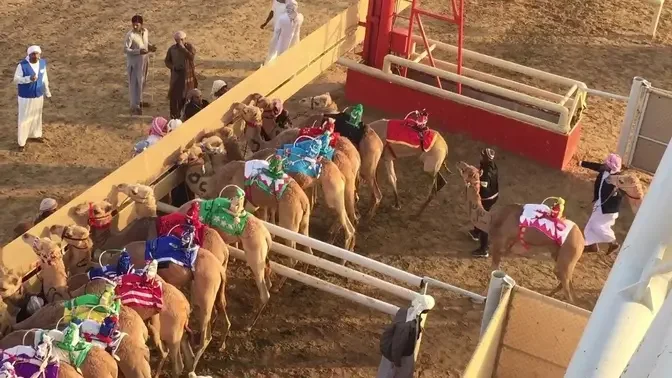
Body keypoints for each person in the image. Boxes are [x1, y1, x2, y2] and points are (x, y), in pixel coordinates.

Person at [580, 153, 624, 253]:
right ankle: (592, 246)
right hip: (600, 204)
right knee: (591, 225)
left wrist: (616, 194)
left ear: (611, 166)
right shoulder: (605, 170)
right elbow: (596, 166)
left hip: (607, 209)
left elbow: (623, 193)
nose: (603, 164)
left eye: (606, 163)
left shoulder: (618, 179)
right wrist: (581, 163)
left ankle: (612, 242)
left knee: (597, 226)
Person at [13, 45, 52, 152]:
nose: (35, 56)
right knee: (24, 119)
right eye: (33, 54)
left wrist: (47, 92)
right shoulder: (22, 66)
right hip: (25, 97)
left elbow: (45, 78)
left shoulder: (42, 63)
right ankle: (22, 142)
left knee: (37, 116)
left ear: (40, 54)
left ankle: (36, 134)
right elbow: (16, 80)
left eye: (37, 54)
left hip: (38, 95)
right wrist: (28, 79)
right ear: (28, 55)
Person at [469, 148, 499, 258]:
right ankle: (476, 233)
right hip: (494, 196)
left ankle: (484, 249)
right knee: (478, 215)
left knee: (482, 221)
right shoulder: (492, 165)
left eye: (482, 156)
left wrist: (473, 183)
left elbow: (483, 188)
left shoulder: (486, 172)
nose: (480, 157)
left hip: (487, 199)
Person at [124, 15, 155, 115]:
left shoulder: (145, 32)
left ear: (141, 24)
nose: (135, 27)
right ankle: (134, 106)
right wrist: (138, 51)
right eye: (134, 25)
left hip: (144, 61)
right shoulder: (130, 35)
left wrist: (150, 47)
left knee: (142, 81)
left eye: (137, 25)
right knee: (134, 84)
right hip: (134, 63)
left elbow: (145, 43)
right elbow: (126, 49)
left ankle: (139, 101)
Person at [165, 31, 197, 119]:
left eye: (181, 40)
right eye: (177, 40)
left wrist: (183, 48)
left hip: (188, 77)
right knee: (176, 98)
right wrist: (173, 67)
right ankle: (175, 117)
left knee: (189, 97)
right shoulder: (172, 49)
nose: (179, 42)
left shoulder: (189, 47)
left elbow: (191, 57)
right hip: (176, 77)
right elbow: (167, 61)